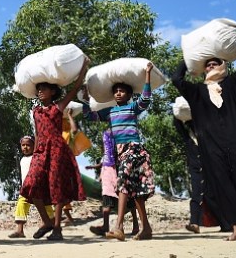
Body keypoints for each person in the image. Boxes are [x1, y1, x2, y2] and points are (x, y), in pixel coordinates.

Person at [172, 27, 236, 241]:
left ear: (223, 65)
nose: (212, 66)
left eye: (215, 63)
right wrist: (189, 58)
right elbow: (177, 79)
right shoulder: (197, 92)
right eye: (208, 65)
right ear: (203, 71)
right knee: (222, 184)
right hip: (212, 146)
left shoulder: (233, 84)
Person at [20, 56, 90, 241]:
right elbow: (36, 133)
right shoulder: (35, 112)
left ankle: (57, 228)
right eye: (39, 89)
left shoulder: (58, 108)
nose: (40, 91)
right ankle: (48, 221)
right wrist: (35, 151)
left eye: (44, 88)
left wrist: (84, 68)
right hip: (40, 150)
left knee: (56, 187)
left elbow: (74, 89)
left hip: (57, 150)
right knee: (30, 185)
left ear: (52, 91)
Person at [98, 61, 155, 241]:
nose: (118, 93)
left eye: (122, 91)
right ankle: (146, 228)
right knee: (136, 192)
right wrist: (84, 97)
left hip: (135, 149)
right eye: (116, 91)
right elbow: (91, 114)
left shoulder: (132, 107)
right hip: (122, 153)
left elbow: (145, 98)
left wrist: (147, 74)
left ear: (129, 94)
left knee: (122, 182)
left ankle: (119, 226)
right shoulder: (110, 111)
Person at [173, 118, 231, 234]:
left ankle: (225, 223)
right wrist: (176, 115)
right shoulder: (188, 138)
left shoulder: (208, 137)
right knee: (196, 195)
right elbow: (177, 124)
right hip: (195, 171)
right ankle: (194, 223)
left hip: (210, 170)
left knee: (210, 196)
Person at [86, 130, 139, 237]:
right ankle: (108, 226)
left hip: (115, 170)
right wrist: (94, 167)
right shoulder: (108, 144)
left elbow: (117, 153)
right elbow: (104, 161)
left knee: (127, 198)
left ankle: (134, 226)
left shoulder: (114, 134)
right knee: (108, 199)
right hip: (109, 173)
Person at [9, 136, 55, 238]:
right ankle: (20, 231)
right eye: (23, 145)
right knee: (21, 205)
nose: (25, 147)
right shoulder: (22, 160)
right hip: (26, 189)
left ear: (34, 146)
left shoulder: (36, 158)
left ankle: (54, 228)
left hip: (38, 188)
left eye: (28, 145)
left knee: (47, 208)